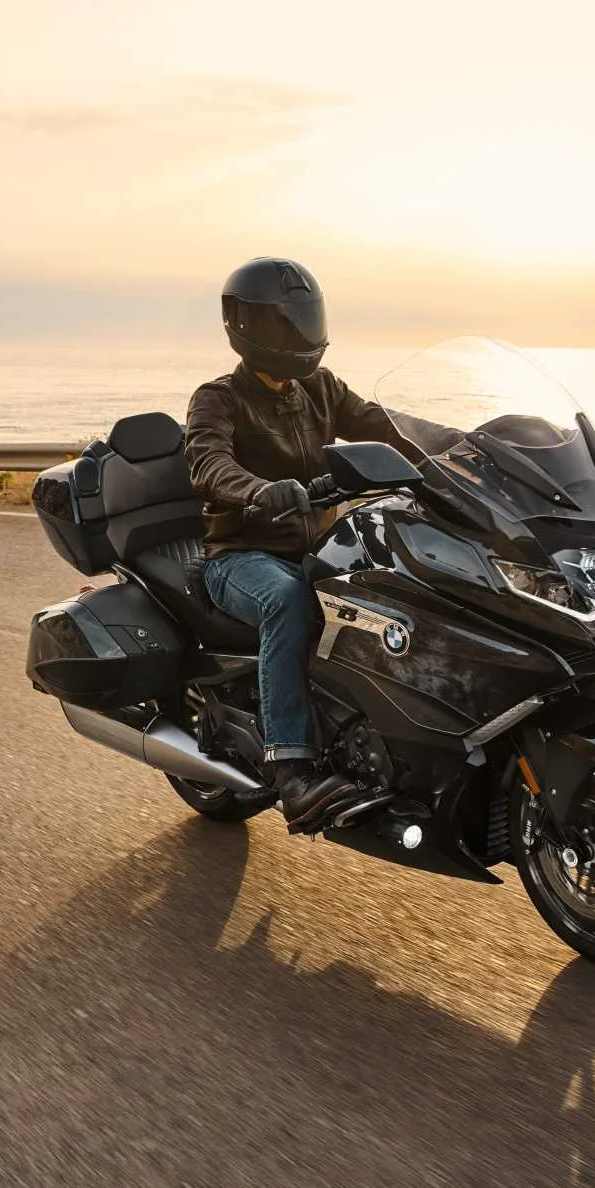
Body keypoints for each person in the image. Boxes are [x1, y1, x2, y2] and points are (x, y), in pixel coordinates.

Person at [185, 256, 435, 828]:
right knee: (288, 601)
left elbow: (386, 428)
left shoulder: (321, 387)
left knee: (404, 588)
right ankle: (292, 768)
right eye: (283, 323)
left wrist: (462, 457)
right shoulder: (218, 398)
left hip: (321, 548)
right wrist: (257, 491)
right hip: (240, 557)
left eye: (302, 320)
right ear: (246, 326)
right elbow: (207, 460)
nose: (295, 335)